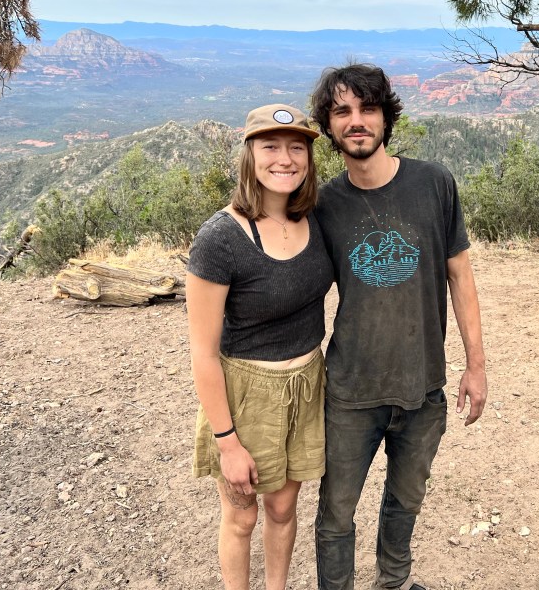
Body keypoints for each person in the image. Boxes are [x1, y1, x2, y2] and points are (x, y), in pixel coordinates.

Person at [309, 64, 488, 590]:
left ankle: (394, 582)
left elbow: (461, 275)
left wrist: (476, 366)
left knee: (405, 502)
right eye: (342, 111)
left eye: (368, 109)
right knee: (336, 514)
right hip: (350, 391)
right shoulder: (323, 205)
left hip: (422, 386)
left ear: (386, 117)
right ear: (329, 125)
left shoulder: (434, 184)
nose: (356, 121)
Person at [186, 103, 334, 590]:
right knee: (242, 515)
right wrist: (227, 442)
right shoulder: (220, 238)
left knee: (283, 508)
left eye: (297, 148)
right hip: (248, 393)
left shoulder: (317, 218)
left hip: (307, 384)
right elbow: (203, 353)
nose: (285, 159)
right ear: (249, 156)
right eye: (270, 146)